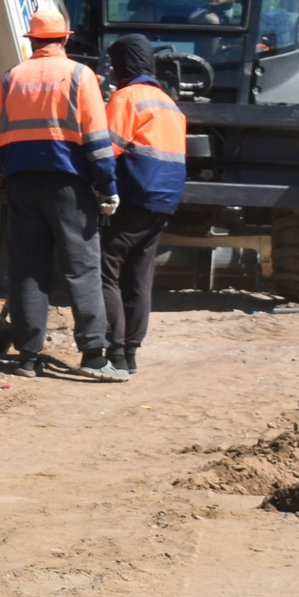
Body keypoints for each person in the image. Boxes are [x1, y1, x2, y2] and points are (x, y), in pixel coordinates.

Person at [0, 4, 126, 381]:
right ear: (64, 39)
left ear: (32, 41)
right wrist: (107, 187)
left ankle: (28, 358)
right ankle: (93, 356)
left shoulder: (11, 79)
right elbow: (97, 140)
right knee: (82, 267)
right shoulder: (79, 75)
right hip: (69, 186)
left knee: (28, 270)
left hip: (22, 184)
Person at [99, 33, 187, 372]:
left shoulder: (127, 98)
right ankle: (131, 353)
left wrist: (99, 189)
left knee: (105, 269)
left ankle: (115, 352)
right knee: (139, 276)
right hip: (163, 202)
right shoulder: (169, 104)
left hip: (133, 196)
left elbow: (106, 151)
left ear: (124, 65)